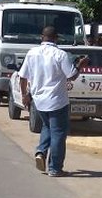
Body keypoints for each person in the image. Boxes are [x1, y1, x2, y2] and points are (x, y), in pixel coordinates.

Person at [17, 26, 88, 178]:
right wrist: (80, 65)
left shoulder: (32, 53)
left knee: (47, 127)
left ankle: (41, 152)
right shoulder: (60, 55)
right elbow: (71, 76)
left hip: (38, 100)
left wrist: (25, 95)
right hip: (57, 101)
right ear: (56, 38)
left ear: (42, 37)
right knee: (58, 134)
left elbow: (22, 77)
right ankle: (55, 168)